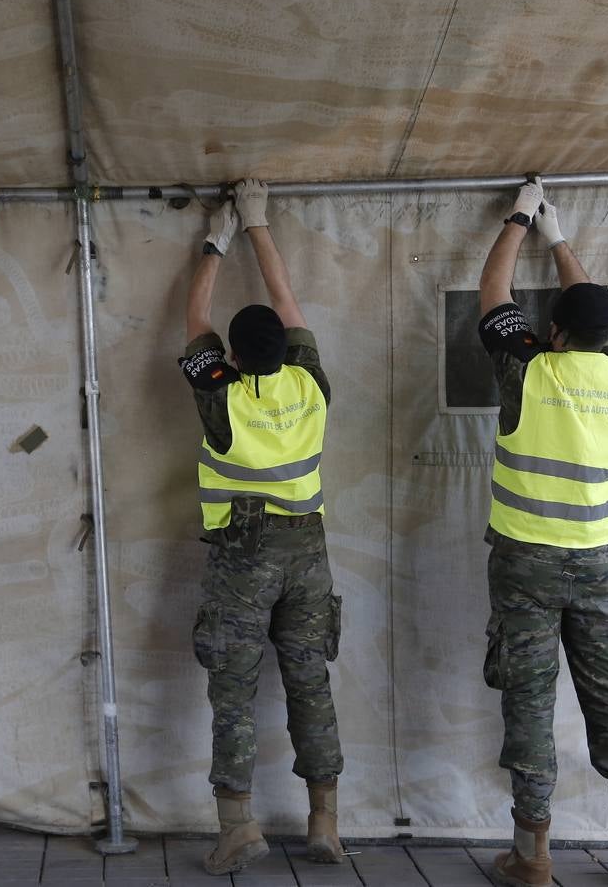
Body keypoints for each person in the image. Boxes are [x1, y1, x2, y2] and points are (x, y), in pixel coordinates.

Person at [476, 179, 608, 887]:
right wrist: (562, 242)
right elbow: (589, 308)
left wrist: (521, 218)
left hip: (525, 564)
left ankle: (531, 857)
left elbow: (492, 290)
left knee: (529, 702)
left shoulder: (526, 370)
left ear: (552, 332)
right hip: (595, 563)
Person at [179, 178, 344, 876]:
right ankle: (325, 826)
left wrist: (214, 241)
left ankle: (238, 827)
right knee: (310, 684)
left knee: (233, 694)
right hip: (308, 555)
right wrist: (258, 223)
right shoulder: (310, 382)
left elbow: (193, 316)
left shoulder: (219, 397)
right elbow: (286, 302)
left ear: (233, 359)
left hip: (242, 560)